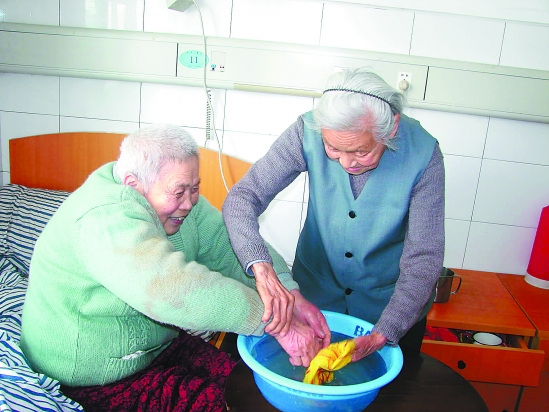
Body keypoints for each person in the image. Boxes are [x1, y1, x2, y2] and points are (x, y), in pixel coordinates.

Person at [20, 124, 328, 412]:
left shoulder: (181, 203)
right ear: (133, 185)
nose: (189, 202)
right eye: (179, 192)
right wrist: (278, 321)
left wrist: (288, 294)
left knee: (247, 384)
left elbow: (228, 246)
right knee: (232, 405)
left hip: (157, 345)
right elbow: (171, 287)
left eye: (195, 188)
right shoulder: (104, 218)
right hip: (95, 371)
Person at [223, 67, 445, 360]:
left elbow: (424, 255)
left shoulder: (424, 154)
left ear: (391, 128)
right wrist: (261, 268)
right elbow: (243, 198)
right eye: (332, 148)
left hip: (388, 307)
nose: (346, 162)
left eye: (361, 151)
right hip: (315, 302)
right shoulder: (307, 130)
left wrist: (386, 331)